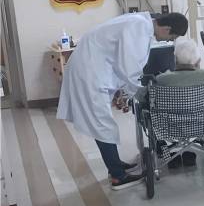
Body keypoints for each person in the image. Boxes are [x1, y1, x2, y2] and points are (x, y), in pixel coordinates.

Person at [57, 12, 188, 190]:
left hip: (93, 70)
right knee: (102, 125)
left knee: (102, 124)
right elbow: (129, 68)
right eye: (172, 37)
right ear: (166, 28)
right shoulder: (139, 28)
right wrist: (137, 93)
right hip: (89, 74)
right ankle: (118, 176)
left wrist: (127, 90)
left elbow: (125, 63)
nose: (170, 40)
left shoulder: (141, 23)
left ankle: (115, 165)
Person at [136, 37, 204, 169]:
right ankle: (187, 153)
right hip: (200, 124)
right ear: (198, 60)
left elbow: (141, 96)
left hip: (167, 127)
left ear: (175, 59)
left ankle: (167, 154)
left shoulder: (160, 79)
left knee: (151, 114)